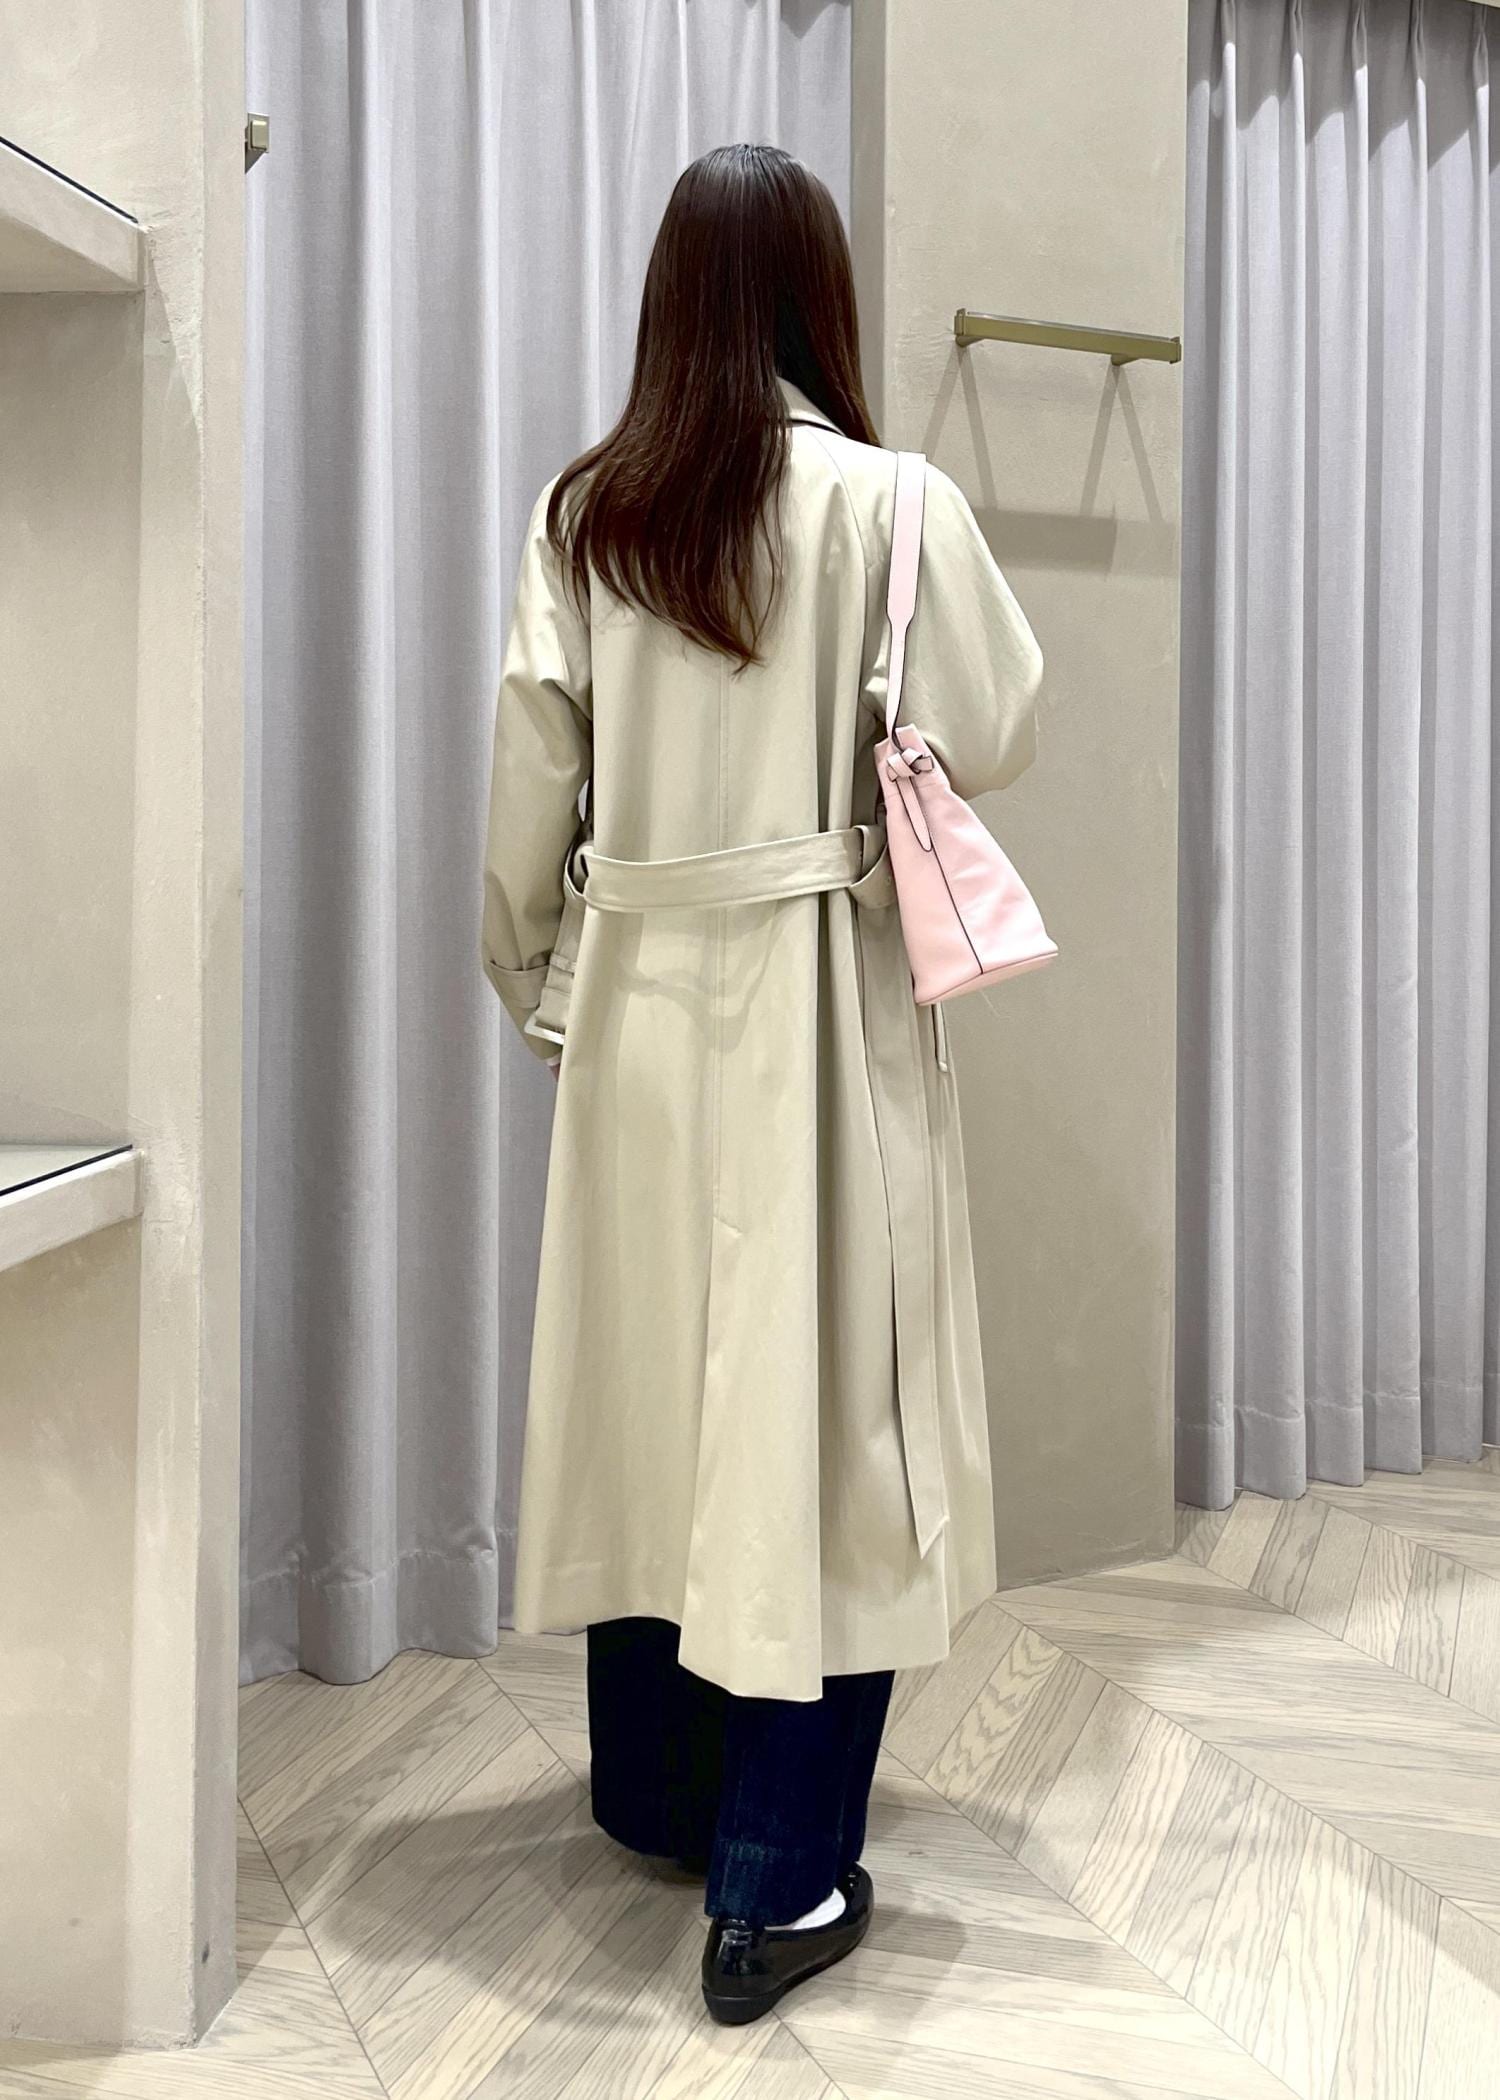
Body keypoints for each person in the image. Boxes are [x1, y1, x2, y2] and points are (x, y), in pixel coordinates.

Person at [481, 141, 1043, 2024]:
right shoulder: (893, 503)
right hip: (819, 1010)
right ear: (821, 295)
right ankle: (778, 1879)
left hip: (640, 1013)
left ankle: (660, 1798)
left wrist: (542, 987)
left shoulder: (588, 514)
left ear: (669, 299)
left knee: (654, 1401)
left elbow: (525, 798)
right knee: (830, 1431)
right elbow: (1001, 720)